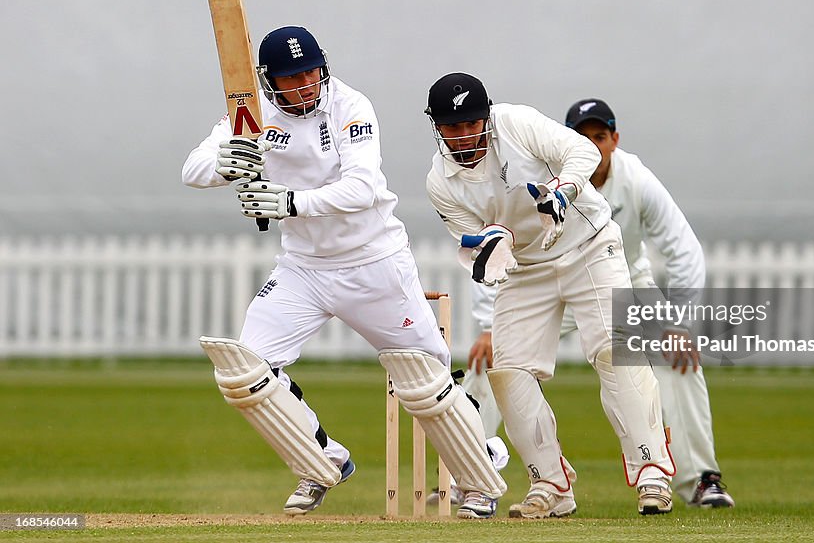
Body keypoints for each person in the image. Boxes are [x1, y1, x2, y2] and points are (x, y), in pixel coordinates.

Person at [182, 27, 506, 518]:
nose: (306, 84)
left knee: (425, 380)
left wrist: (289, 201)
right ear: (270, 80)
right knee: (245, 371)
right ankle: (320, 462)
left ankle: (480, 470)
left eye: (311, 72)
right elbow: (193, 168)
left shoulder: (349, 106)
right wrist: (229, 162)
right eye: (292, 78)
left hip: (373, 261)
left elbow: (362, 187)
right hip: (303, 269)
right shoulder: (251, 114)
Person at [456, 99, 735, 508]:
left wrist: (679, 322)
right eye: (583, 137)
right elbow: (497, 246)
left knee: (676, 356)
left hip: (624, 279)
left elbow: (684, 249)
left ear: (614, 139)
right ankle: (474, 479)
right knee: (490, 362)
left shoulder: (636, 179)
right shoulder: (542, 169)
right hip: (543, 276)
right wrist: (486, 326)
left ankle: (700, 478)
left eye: (600, 137)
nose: (593, 145)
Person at [424, 72, 676, 518]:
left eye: (471, 124)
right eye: (452, 127)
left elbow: (580, 150)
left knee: (615, 351)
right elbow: (476, 249)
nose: (464, 136)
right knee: (509, 371)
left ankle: (652, 471)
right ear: (437, 127)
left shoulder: (516, 123)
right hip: (526, 269)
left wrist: (564, 189)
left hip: (589, 245)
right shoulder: (441, 183)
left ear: (486, 117)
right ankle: (551, 484)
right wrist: (493, 242)